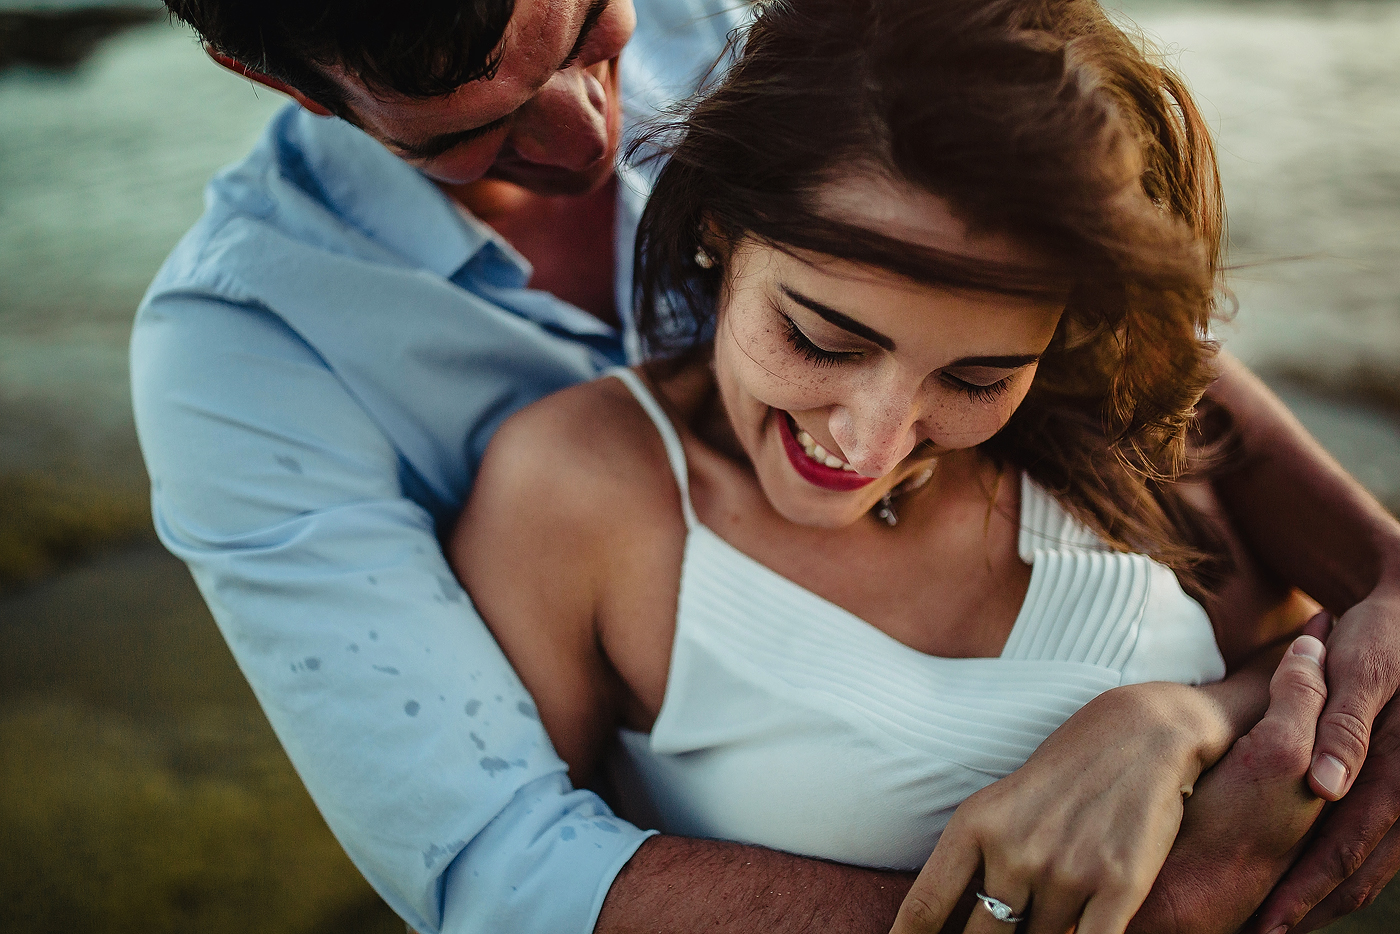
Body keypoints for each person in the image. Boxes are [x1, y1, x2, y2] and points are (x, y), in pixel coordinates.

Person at [131, 0, 1400, 931]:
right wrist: (1135, 909)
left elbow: (1072, 279)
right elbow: (496, 860)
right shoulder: (246, 347)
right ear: (274, 76)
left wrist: (1239, 682)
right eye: (471, 130)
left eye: (586, 34)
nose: (588, 136)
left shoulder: (780, 36)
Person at [447, 1, 1333, 931]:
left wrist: (1171, 726)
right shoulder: (574, 489)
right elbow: (515, 881)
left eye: (977, 375)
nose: (874, 445)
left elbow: (1306, 653)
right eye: (820, 338)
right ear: (717, 225)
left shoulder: (1111, 423)